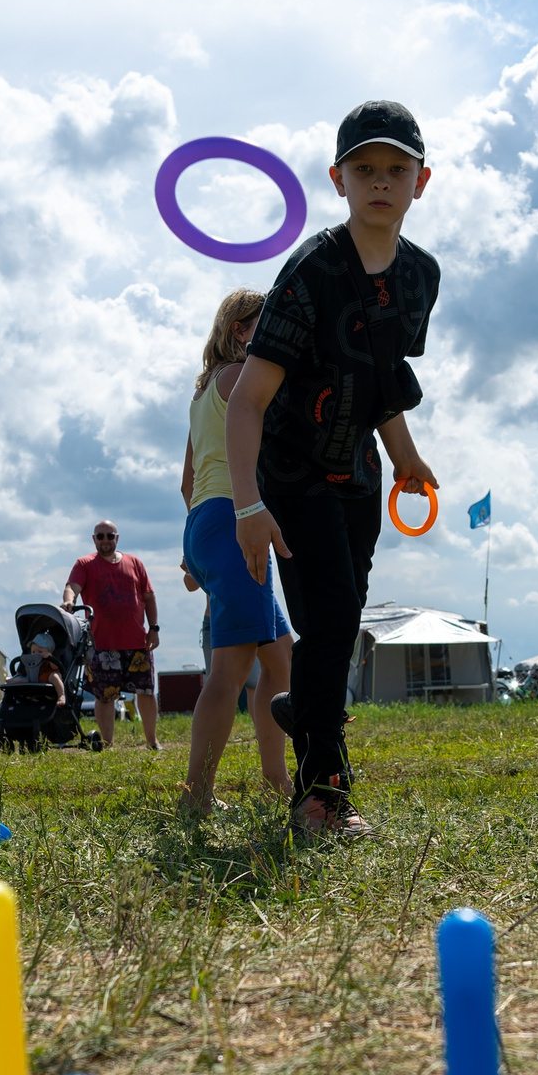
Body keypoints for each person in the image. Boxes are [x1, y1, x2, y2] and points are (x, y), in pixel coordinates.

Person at [228, 100, 443, 837]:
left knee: (330, 627)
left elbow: (382, 380)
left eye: (396, 169)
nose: (380, 181)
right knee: (338, 614)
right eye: (364, 169)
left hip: (357, 474)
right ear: (338, 179)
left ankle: (303, 716)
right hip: (289, 471)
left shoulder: (420, 277)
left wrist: (405, 454)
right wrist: (248, 507)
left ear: (421, 182)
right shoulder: (312, 270)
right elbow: (247, 401)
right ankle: (321, 800)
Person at [179, 289, 293, 812]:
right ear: (238, 330)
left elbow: (187, 481)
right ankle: (197, 794)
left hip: (207, 521)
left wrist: (197, 550)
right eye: (263, 322)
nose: (274, 329)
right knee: (230, 669)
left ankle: (277, 780)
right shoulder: (239, 380)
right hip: (233, 521)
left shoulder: (204, 391)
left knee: (280, 658)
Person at [64, 522, 162, 751]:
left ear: (117, 538)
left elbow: (148, 597)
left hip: (138, 642)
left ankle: (152, 741)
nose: (105, 540)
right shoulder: (85, 564)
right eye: (100, 536)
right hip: (102, 645)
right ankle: (107, 744)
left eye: (109, 536)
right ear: (94, 538)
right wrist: (70, 600)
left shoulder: (134, 563)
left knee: (146, 692)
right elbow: (72, 586)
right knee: (105, 695)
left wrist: (154, 628)